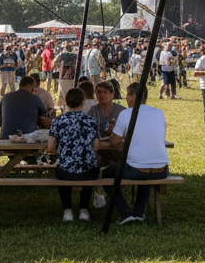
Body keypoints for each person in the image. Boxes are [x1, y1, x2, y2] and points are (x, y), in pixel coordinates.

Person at [107, 82, 169, 225]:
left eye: (128, 95)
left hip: (137, 169)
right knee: (146, 167)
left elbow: (114, 142)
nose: (126, 99)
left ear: (133, 97)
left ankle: (125, 212)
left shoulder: (126, 113)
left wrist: (113, 132)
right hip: (162, 169)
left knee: (107, 173)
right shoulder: (159, 112)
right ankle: (139, 212)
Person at [45, 86, 100, 222]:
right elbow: (96, 147)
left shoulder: (58, 121)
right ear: (83, 102)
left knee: (60, 170)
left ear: (66, 102)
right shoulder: (91, 120)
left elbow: (50, 148)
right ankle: (84, 210)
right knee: (90, 168)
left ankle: (67, 211)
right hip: (88, 171)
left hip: (66, 171)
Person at [0, 75, 49, 139]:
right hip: (27, 141)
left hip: (5, 140)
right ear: (33, 89)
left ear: (19, 86)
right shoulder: (35, 99)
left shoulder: (6, 97)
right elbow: (45, 121)